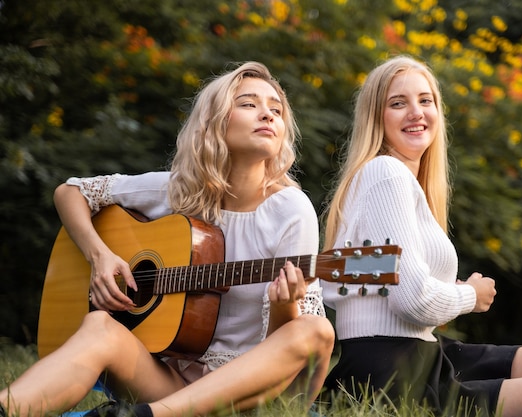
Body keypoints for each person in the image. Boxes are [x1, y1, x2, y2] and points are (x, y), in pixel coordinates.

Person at [0, 61, 335, 417]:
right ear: (215, 122)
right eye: (249, 104)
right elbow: (72, 192)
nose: (267, 114)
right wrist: (100, 257)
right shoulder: (179, 190)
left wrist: (284, 304)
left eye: (277, 110)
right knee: (99, 324)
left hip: (250, 396)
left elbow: (283, 351)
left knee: (315, 329)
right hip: (170, 382)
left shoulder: (290, 209)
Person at [320, 55, 522, 416]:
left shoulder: (406, 184)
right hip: (389, 371)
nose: (416, 112)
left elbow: (391, 290)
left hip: (424, 351)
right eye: (398, 103)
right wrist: (469, 295)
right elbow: (412, 302)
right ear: (375, 118)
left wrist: (444, 292)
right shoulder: (386, 173)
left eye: (426, 100)